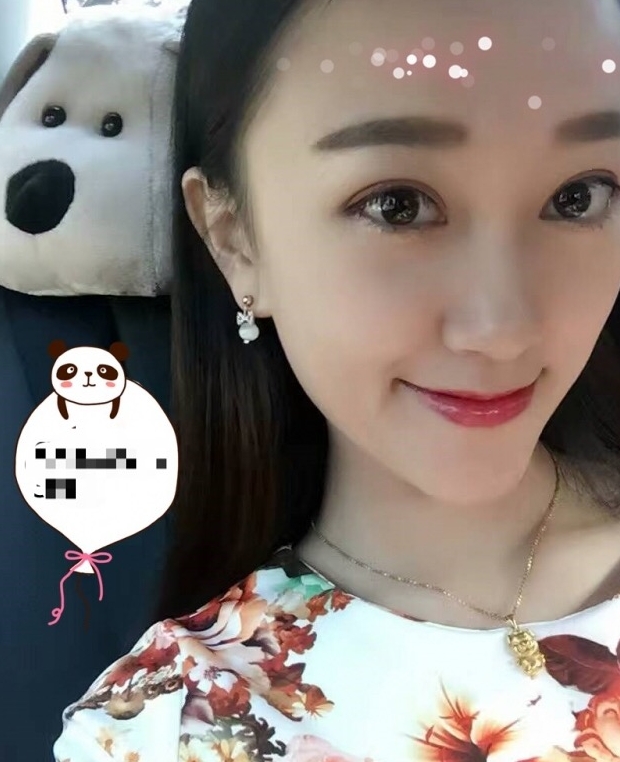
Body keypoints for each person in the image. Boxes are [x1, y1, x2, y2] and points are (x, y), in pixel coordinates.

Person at [53, 0, 620, 759]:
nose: (502, 328)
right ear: (234, 240)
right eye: (398, 206)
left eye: (579, 196)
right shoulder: (164, 727)